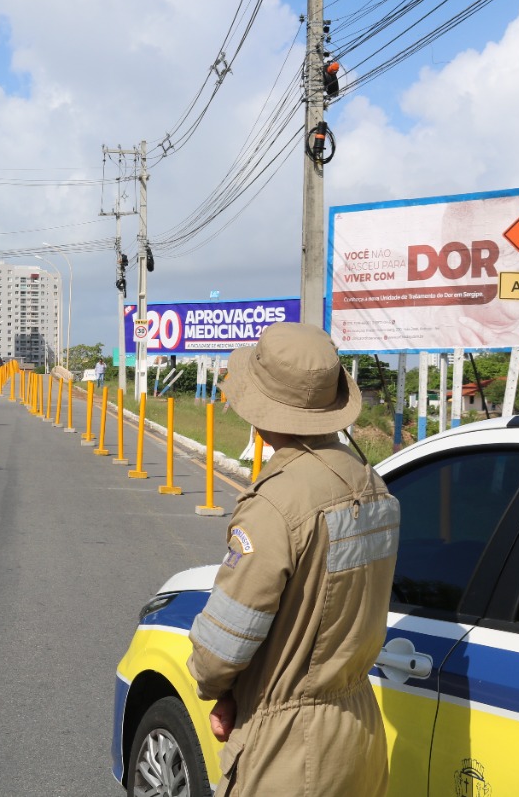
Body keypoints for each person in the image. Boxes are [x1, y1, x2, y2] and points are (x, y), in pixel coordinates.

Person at [185, 323, 401, 797]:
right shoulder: (374, 486)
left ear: (261, 409)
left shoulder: (276, 505)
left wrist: (217, 689)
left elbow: (222, 647)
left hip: (290, 747)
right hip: (360, 731)